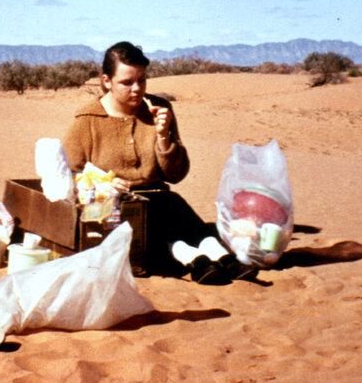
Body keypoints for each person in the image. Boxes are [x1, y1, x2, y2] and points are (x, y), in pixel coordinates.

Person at [62, 41, 256, 283]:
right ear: (106, 81)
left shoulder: (160, 109)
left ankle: (225, 259)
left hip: (159, 198)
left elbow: (176, 174)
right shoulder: (87, 119)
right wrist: (104, 183)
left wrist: (163, 137)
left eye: (141, 80)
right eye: (127, 82)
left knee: (176, 209)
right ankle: (195, 261)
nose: (136, 89)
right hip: (111, 206)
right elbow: (68, 175)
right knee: (144, 223)